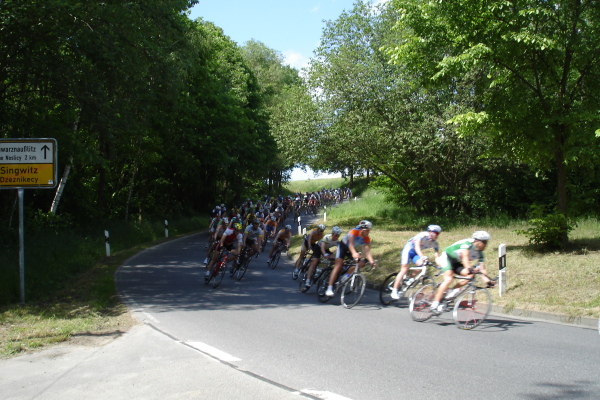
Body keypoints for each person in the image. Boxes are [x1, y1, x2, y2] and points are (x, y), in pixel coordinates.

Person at [429, 231, 495, 314]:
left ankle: (451, 291)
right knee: (449, 279)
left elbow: (482, 269)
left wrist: (488, 281)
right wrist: (469, 268)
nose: (486, 244)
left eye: (486, 242)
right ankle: (434, 304)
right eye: (484, 242)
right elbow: (465, 257)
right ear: (477, 241)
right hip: (447, 257)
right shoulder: (467, 244)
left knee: (470, 276)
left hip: (457, 262)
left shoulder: (480, 254)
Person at [326, 220, 377, 297]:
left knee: (361, 262)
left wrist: (371, 261)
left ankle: (345, 276)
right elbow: (350, 244)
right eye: (367, 230)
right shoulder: (354, 231)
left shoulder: (366, 238)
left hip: (351, 249)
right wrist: (354, 253)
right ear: (362, 229)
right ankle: (329, 288)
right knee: (338, 265)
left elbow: (367, 251)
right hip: (343, 247)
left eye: (369, 230)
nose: (368, 232)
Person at [390, 225, 442, 300]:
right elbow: (417, 247)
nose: (436, 236)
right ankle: (394, 291)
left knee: (421, 265)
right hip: (408, 250)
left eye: (438, 234)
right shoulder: (422, 235)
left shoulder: (435, 243)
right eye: (435, 233)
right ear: (430, 232)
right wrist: (422, 256)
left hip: (415, 253)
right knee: (404, 269)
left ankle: (410, 278)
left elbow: (437, 256)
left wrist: (440, 266)